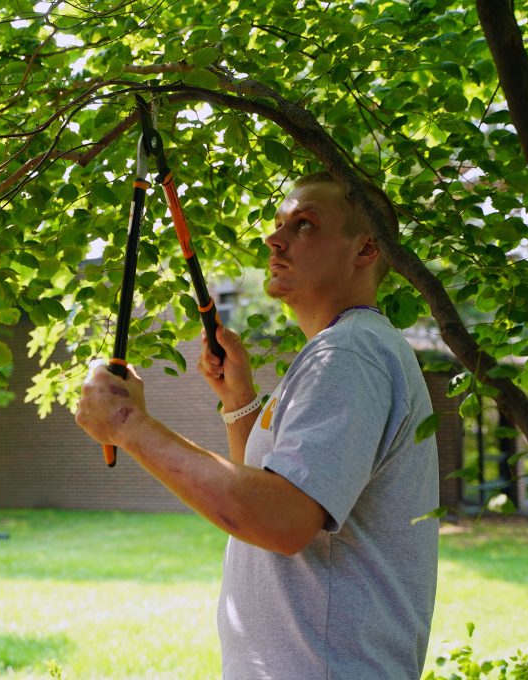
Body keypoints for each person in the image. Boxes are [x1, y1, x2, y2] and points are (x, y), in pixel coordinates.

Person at [75, 171, 439, 679]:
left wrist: (128, 425)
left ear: (365, 249)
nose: (274, 238)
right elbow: (276, 488)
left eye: (304, 224)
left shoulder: (348, 354)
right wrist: (239, 400)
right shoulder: (343, 349)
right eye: (277, 224)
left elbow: (284, 520)